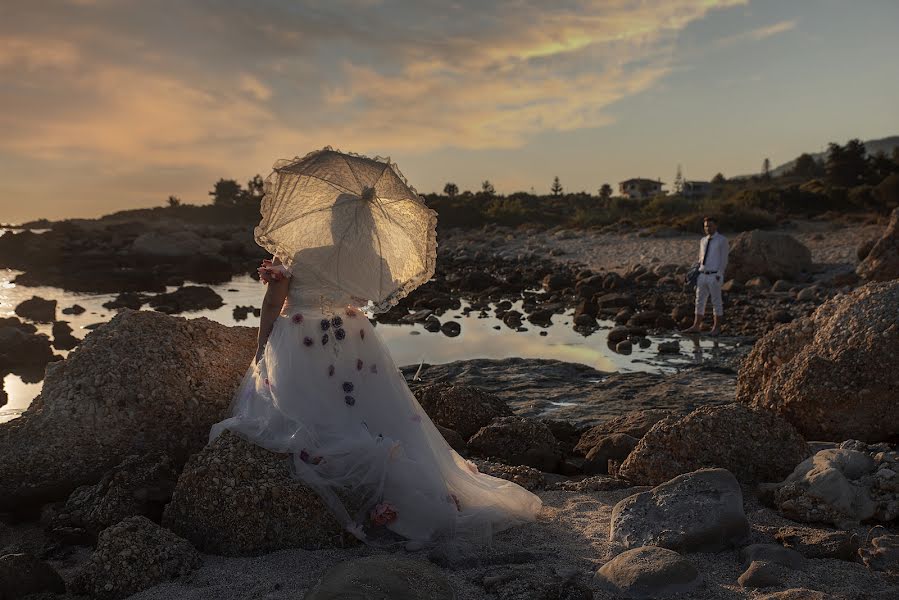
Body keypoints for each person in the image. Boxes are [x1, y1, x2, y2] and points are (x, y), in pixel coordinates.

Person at [210, 197, 541, 551]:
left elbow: (274, 303)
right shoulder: (370, 260)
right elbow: (360, 297)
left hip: (302, 336)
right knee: (369, 410)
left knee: (313, 411)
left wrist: (261, 345)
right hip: (351, 336)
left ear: (329, 220)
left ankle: (352, 467)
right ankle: (400, 488)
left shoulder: (297, 252)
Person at [683, 216, 728, 336]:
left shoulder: (722, 240)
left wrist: (719, 274)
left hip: (714, 275)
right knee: (699, 301)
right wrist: (696, 273)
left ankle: (716, 328)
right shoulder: (703, 240)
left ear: (716, 226)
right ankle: (696, 326)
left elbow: (724, 259)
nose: (707, 228)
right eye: (706, 226)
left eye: (710, 225)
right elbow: (700, 258)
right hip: (702, 275)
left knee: (716, 302)